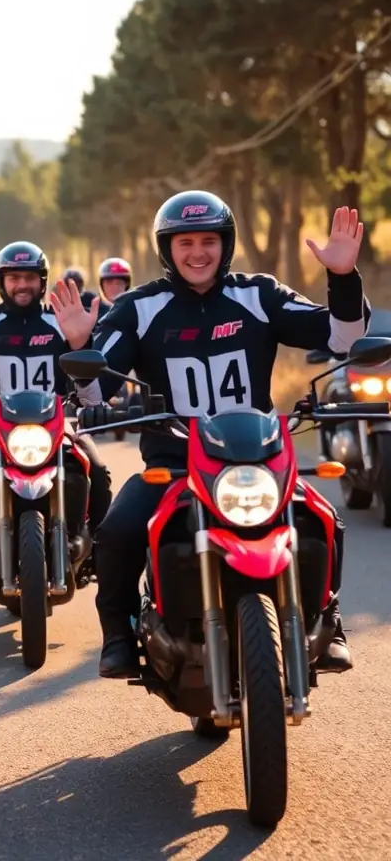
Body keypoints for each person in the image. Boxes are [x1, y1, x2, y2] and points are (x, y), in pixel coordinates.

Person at [51, 192, 369, 679]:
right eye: (185, 242)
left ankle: (329, 623)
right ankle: (117, 633)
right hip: (173, 466)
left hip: (257, 463)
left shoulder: (258, 295)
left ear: (226, 244)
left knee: (323, 521)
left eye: (208, 241)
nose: (197, 252)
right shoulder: (139, 307)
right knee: (116, 531)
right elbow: (99, 393)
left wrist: (343, 278)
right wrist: (78, 345)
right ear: (166, 248)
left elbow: (342, 339)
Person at [0, 241, 113, 580]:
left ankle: (101, 549)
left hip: (59, 427)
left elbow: (91, 383)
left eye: (29, 277)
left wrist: (80, 342)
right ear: (1, 282)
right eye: (13, 277)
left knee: (98, 471)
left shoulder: (61, 321)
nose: (21, 285)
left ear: (42, 281)